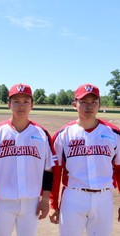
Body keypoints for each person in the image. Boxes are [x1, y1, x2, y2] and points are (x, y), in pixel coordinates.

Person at [49, 84, 120, 236]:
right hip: (73, 197)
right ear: (75, 105)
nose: (89, 106)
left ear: (100, 104)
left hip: (104, 198)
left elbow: (119, 170)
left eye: (93, 102)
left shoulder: (114, 133)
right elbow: (56, 172)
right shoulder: (63, 134)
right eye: (84, 102)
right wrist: (53, 204)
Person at [0, 83, 55, 236]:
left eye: (25, 101)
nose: (21, 106)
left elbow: (48, 170)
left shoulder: (42, 133)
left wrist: (45, 199)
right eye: (16, 101)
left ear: (32, 105)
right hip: (2, 202)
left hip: (32, 202)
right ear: (9, 104)